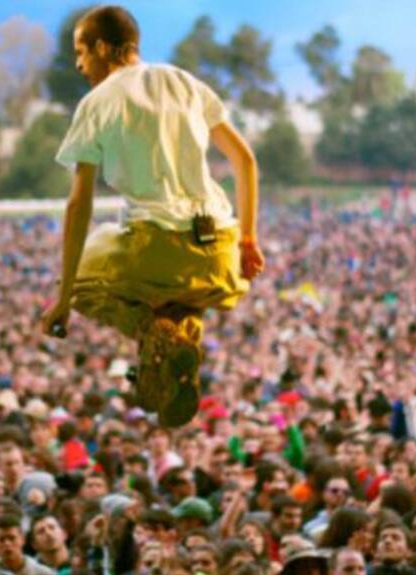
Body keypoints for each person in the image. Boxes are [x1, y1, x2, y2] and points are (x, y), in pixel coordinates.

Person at [40, 4, 265, 428]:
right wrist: (249, 239)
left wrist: (63, 300)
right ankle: (177, 354)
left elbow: (78, 205)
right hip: (220, 252)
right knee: (180, 299)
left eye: (81, 52)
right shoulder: (185, 81)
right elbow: (245, 161)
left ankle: (148, 332)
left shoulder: (96, 102)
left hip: (158, 247)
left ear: (102, 48)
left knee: (80, 280)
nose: (79, 64)